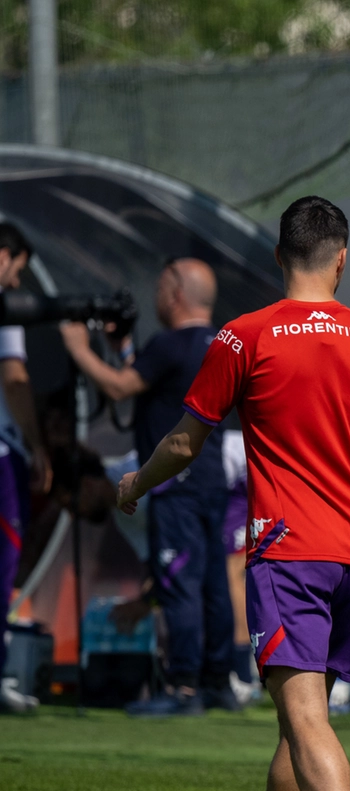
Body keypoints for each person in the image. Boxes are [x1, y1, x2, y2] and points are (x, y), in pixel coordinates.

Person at [115, 196, 350, 791]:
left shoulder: (243, 336)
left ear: (280, 256)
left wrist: (136, 484)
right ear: (342, 259)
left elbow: (184, 440)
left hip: (288, 551)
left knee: (305, 717)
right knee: (304, 717)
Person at [63, 257, 241, 715]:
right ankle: (218, 682)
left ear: (175, 293)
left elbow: (122, 388)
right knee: (212, 584)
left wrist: (79, 348)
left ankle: (183, 688)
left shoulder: (170, 343)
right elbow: (146, 384)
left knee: (179, 580)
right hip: (211, 479)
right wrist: (121, 346)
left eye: (160, 287)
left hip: (173, 485)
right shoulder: (222, 343)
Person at [0, 223, 51, 715]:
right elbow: (14, 380)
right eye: (17, 270)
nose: (16, 284)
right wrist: (37, 445)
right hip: (0, 454)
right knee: (2, 562)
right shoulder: (4, 305)